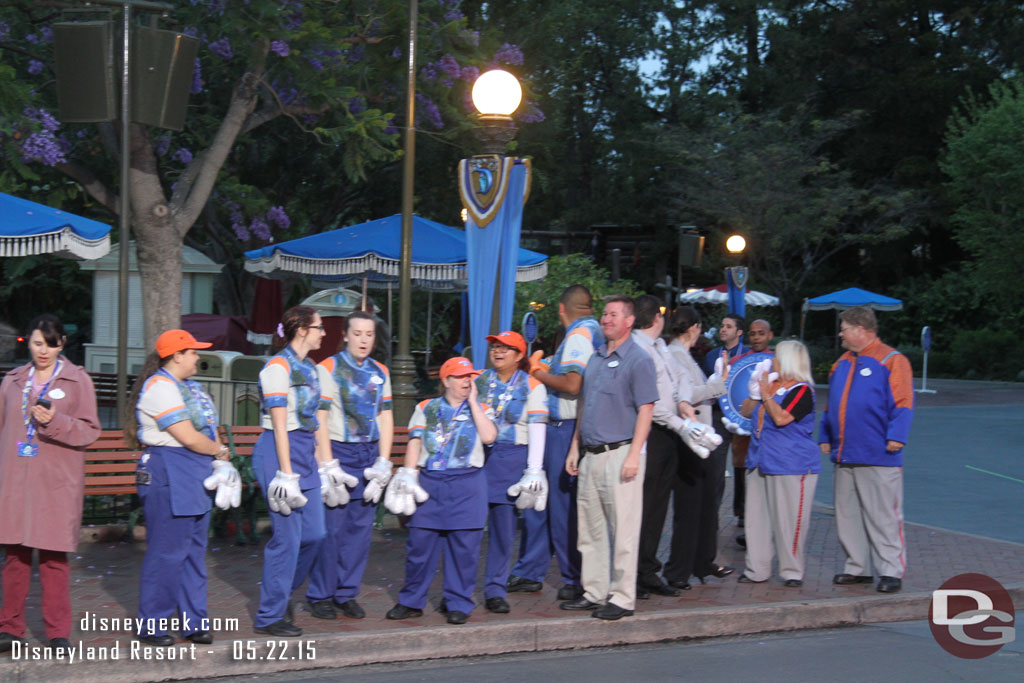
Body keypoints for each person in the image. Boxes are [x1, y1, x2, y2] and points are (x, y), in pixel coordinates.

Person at [128, 329, 240, 646]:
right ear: (176, 355)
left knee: (193, 553)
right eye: (192, 352)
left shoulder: (190, 387)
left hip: (193, 471)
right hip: (169, 470)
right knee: (167, 553)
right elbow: (187, 436)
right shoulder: (160, 388)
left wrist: (220, 460)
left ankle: (194, 621)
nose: (197, 357)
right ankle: (153, 624)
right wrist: (219, 452)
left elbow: (206, 427)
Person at [0, 314, 100, 654]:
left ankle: (58, 634)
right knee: (15, 558)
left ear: (63, 344)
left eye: (52, 343)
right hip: (16, 482)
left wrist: (55, 421)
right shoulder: (13, 380)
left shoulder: (77, 381)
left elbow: (89, 430)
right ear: (28, 341)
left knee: (53, 561)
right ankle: (10, 628)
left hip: (56, 483)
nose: (44, 351)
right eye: (38, 343)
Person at [561, 296, 657, 620]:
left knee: (624, 531)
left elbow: (646, 410)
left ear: (629, 321)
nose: (606, 319)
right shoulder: (596, 359)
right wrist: (575, 447)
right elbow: (584, 406)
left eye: (613, 314)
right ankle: (594, 591)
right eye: (604, 314)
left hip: (620, 455)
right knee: (591, 531)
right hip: (590, 455)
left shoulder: (639, 360)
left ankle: (622, 597)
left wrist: (634, 456)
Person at [508, 284, 604, 600]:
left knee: (561, 505)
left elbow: (573, 383)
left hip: (566, 427)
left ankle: (574, 577)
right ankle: (531, 570)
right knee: (541, 500)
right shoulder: (591, 331)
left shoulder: (578, 335)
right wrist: (547, 364)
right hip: (562, 427)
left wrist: (538, 372)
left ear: (562, 309)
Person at [384, 357, 497, 625]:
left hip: (468, 483)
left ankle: (458, 602)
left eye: (470, 376)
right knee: (419, 548)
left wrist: (473, 403)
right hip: (431, 483)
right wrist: (409, 475)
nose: (467, 381)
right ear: (445, 381)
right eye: (460, 377)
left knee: (464, 550)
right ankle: (411, 601)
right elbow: (415, 442)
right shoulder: (426, 407)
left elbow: (489, 437)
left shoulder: (482, 408)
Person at [819, 307, 913, 594]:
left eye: (845, 328)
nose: (841, 333)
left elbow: (904, 402)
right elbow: (832, 404)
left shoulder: (892, 360)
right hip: (845, 453)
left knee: (882, 514)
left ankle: (890, 570)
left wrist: (897, 435)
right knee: (847, 514)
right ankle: (856, 567)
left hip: (878, 454)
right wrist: (825, 433)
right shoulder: (842, 363)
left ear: (861, 329)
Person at [306, 311, 393, 620]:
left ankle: (346, 593)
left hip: (368, 455)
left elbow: (385, 415)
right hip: (338, 453)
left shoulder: (380, 371)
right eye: (357, 333)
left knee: (360, 530)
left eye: (369, 334)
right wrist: (326, 463)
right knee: (331, 529)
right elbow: (321, 418)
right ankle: (320, 594)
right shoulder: (327, 368)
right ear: (344, 335)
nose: (363, 340)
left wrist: (384, 459)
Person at [253, 305, 334, 637]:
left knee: (315, 534)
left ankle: (282, 590)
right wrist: (285, 473)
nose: (324, 333)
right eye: (319, 327)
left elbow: (315, 422)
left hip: (304, 453)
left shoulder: (313, 370)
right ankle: (270, 615)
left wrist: (326, 464)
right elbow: (279, 425)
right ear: (302, 329)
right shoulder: (277, 368)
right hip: (278, 451)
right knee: (287, 539)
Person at [631, 296, 720, 599]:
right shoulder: (640, 348)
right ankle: (635, 574)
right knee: (642, 509)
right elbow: (649, 401)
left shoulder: (660, 348)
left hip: (669, 433)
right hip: (653, 432)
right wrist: (679, 420)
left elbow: (679, 381)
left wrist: (682, 401)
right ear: (655, 317)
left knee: (656, 509)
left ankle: (647, 571)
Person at [474, 331, 548, 614]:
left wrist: (534, 470)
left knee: (503, 531)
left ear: (519, 356)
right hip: (479, 458)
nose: (498, 352)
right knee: (468, 530)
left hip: (511, 458)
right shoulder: (478, 380)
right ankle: (459, 588)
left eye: (506, 348)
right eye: (495, 346)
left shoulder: (532, 385)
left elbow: (538, 429)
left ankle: (495, 589)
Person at [663, 306, 734, 590]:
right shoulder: (676, 354)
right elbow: (688, 394)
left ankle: (703, 560)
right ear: (693, 327)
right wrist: (719, 385)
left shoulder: (683, 354)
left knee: (704, 503)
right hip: (689, 439)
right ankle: (679, 569)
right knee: (690, 506)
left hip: (700, 437)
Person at [737, 340, 819, 587]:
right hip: (760, 459)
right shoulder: (770, 384)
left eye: (777, 356)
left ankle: (792, 571)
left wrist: (765, 394)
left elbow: (782, 418)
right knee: (756, 519)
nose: (772, 360)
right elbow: (744, 411)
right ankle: (757, 569)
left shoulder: (802, 390)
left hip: (791, 463)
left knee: (789, 521)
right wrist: (754, 393)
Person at [732, 319, 774, 546]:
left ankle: (763, 528)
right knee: (746, 477)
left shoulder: (778, 364)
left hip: (770, 433)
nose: (757, 337)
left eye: (761, 333)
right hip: (743, 433)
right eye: (753, 333)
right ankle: (747, 521)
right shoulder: (738, 363)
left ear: (770, 335)